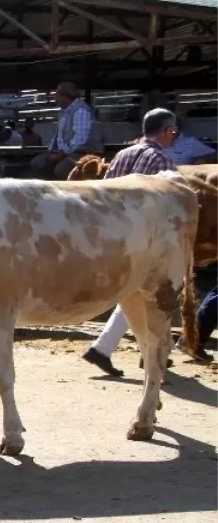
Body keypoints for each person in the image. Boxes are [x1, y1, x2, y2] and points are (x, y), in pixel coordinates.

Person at [82, 108, 180, 377]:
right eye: (173, 131)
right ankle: (150, 351)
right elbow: (166, 208)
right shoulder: (162, 161)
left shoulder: (122, 155)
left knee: (130, 294)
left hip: (113, 235)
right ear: (166, 130)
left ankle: (105, 348)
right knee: (146, 294)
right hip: (144, 239)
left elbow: (101, 194)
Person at [31, 82, 101, 179]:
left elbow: (80, 139)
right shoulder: (64, 112)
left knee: (62, 169)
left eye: (57, 95)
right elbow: (59, 136)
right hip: (65, 150)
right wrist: (51, 151)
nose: (55, 99)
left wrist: (63, 154)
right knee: (38, 163)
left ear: (64, 96)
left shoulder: (80, 110)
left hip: (84, 151)